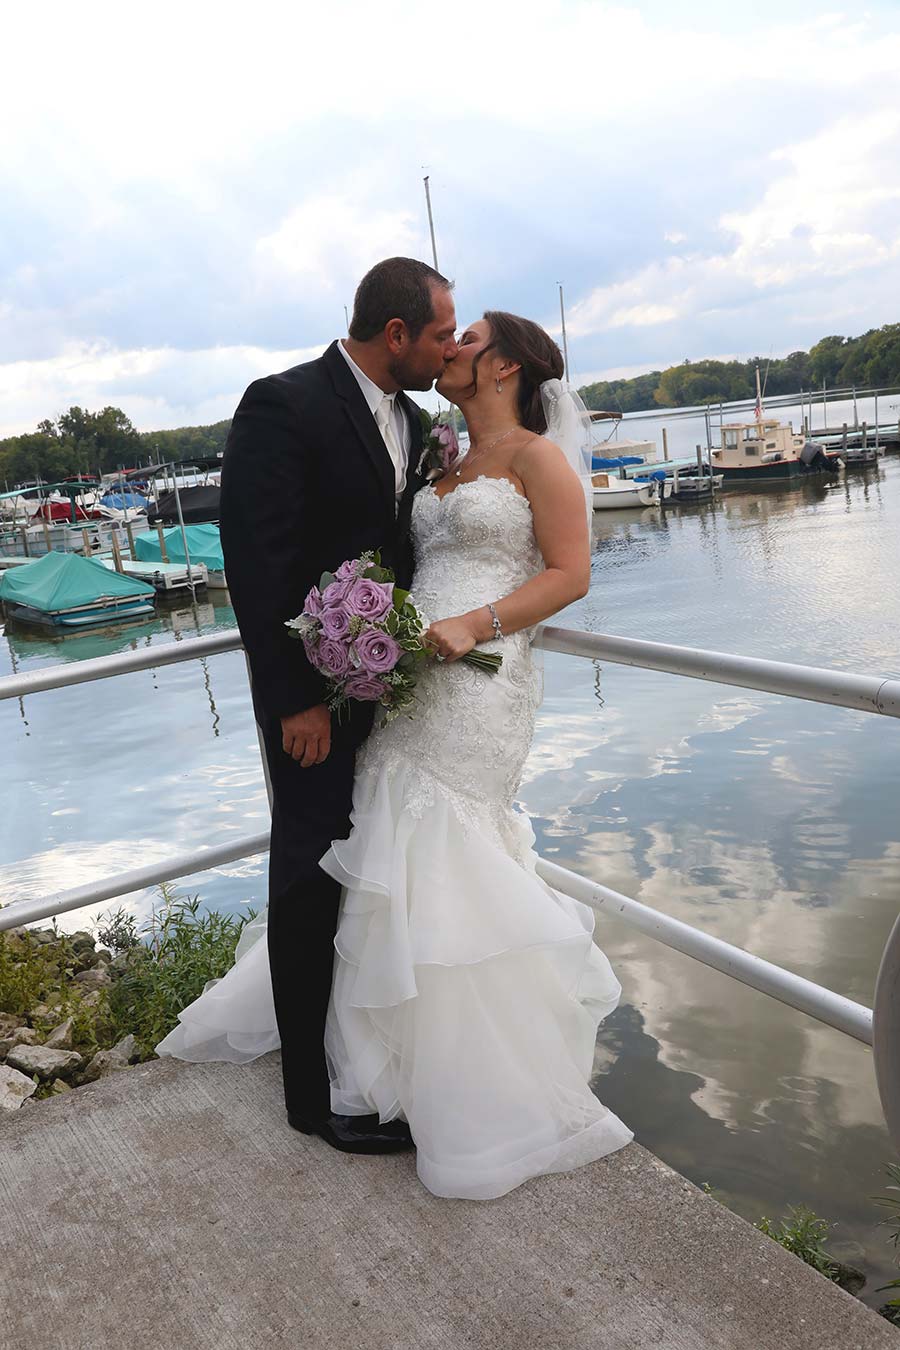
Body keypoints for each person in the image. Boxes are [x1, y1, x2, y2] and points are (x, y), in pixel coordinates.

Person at [159, 306, 633, 1199]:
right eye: (447, 333)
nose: (452, 348)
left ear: (504, 369)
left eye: (468, 339)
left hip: (479, 680)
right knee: (387, 842)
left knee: (452, 846)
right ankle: (393, 1062)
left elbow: (571, 573)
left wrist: (474, 623)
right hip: (408, 681)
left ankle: (471, 1078)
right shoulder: (441, 454)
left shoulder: (537, 458)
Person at [156, 258, 458, 1156]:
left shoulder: (415, 419)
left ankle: (365, 1056)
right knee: (306, 878)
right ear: (396, 334)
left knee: (370, 872)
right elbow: (257, 563)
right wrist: (294, 700)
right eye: (441, 332)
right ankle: (307, 1102)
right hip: (314, 705)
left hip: (392, 693)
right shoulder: (283, 404)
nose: (449, 348)